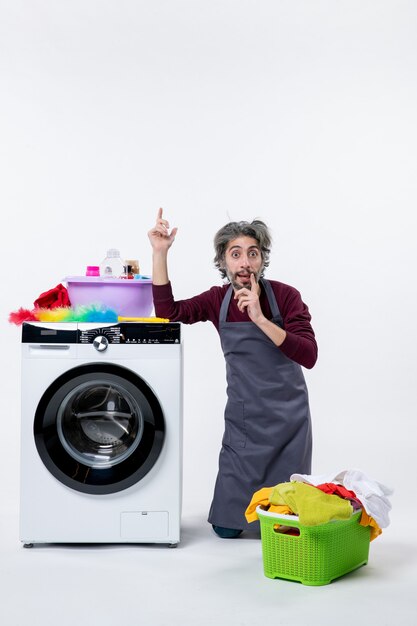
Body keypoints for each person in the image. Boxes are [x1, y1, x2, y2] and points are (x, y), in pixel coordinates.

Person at [148, 208, 318, 538]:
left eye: (253, 254)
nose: (245, 264)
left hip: (289, 421)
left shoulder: (285, 297)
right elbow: (168, 313)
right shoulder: (217, 300)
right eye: (235, 254)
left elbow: (308, 355)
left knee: (285, 529)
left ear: (262, 259)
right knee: (225, 530)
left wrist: (260, 318)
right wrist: (160, 253)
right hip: (244, 422)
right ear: (224, 262)